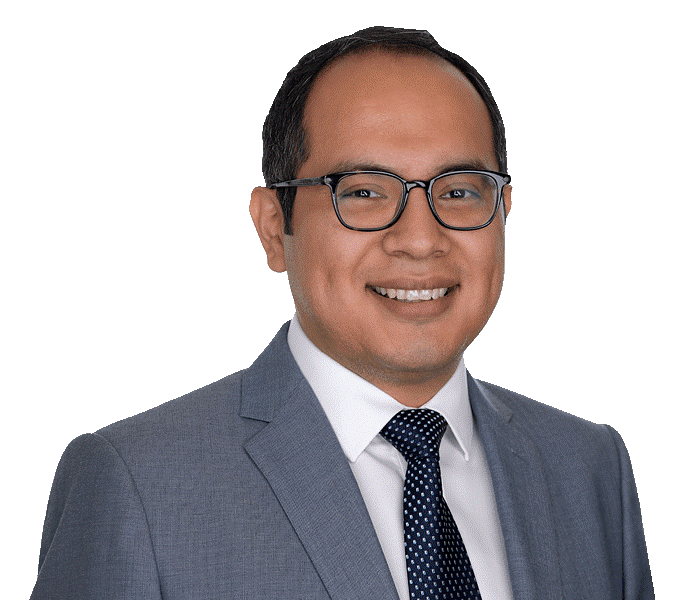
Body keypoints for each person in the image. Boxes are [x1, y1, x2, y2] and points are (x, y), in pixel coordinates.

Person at [32, 26, 653, 599]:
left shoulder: (589, 466)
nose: (420, 239)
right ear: (272, 228)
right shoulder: (136, 484)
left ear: (504, 212)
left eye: (459, 190)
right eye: (363, 192)